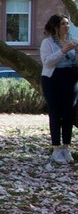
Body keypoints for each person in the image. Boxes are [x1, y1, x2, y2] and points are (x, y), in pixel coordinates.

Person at [40, 14, 78, 163]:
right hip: (53, 79)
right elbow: (47, 62)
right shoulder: (47, 43)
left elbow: (75, 63)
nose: (66, 26)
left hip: (70, 79)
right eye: (63, 23)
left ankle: (66, 148)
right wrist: (63, 50)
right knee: (55, 113)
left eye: (67, 24)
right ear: (55, 27)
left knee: (68, 113)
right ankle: (56, 149)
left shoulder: (70, 42)